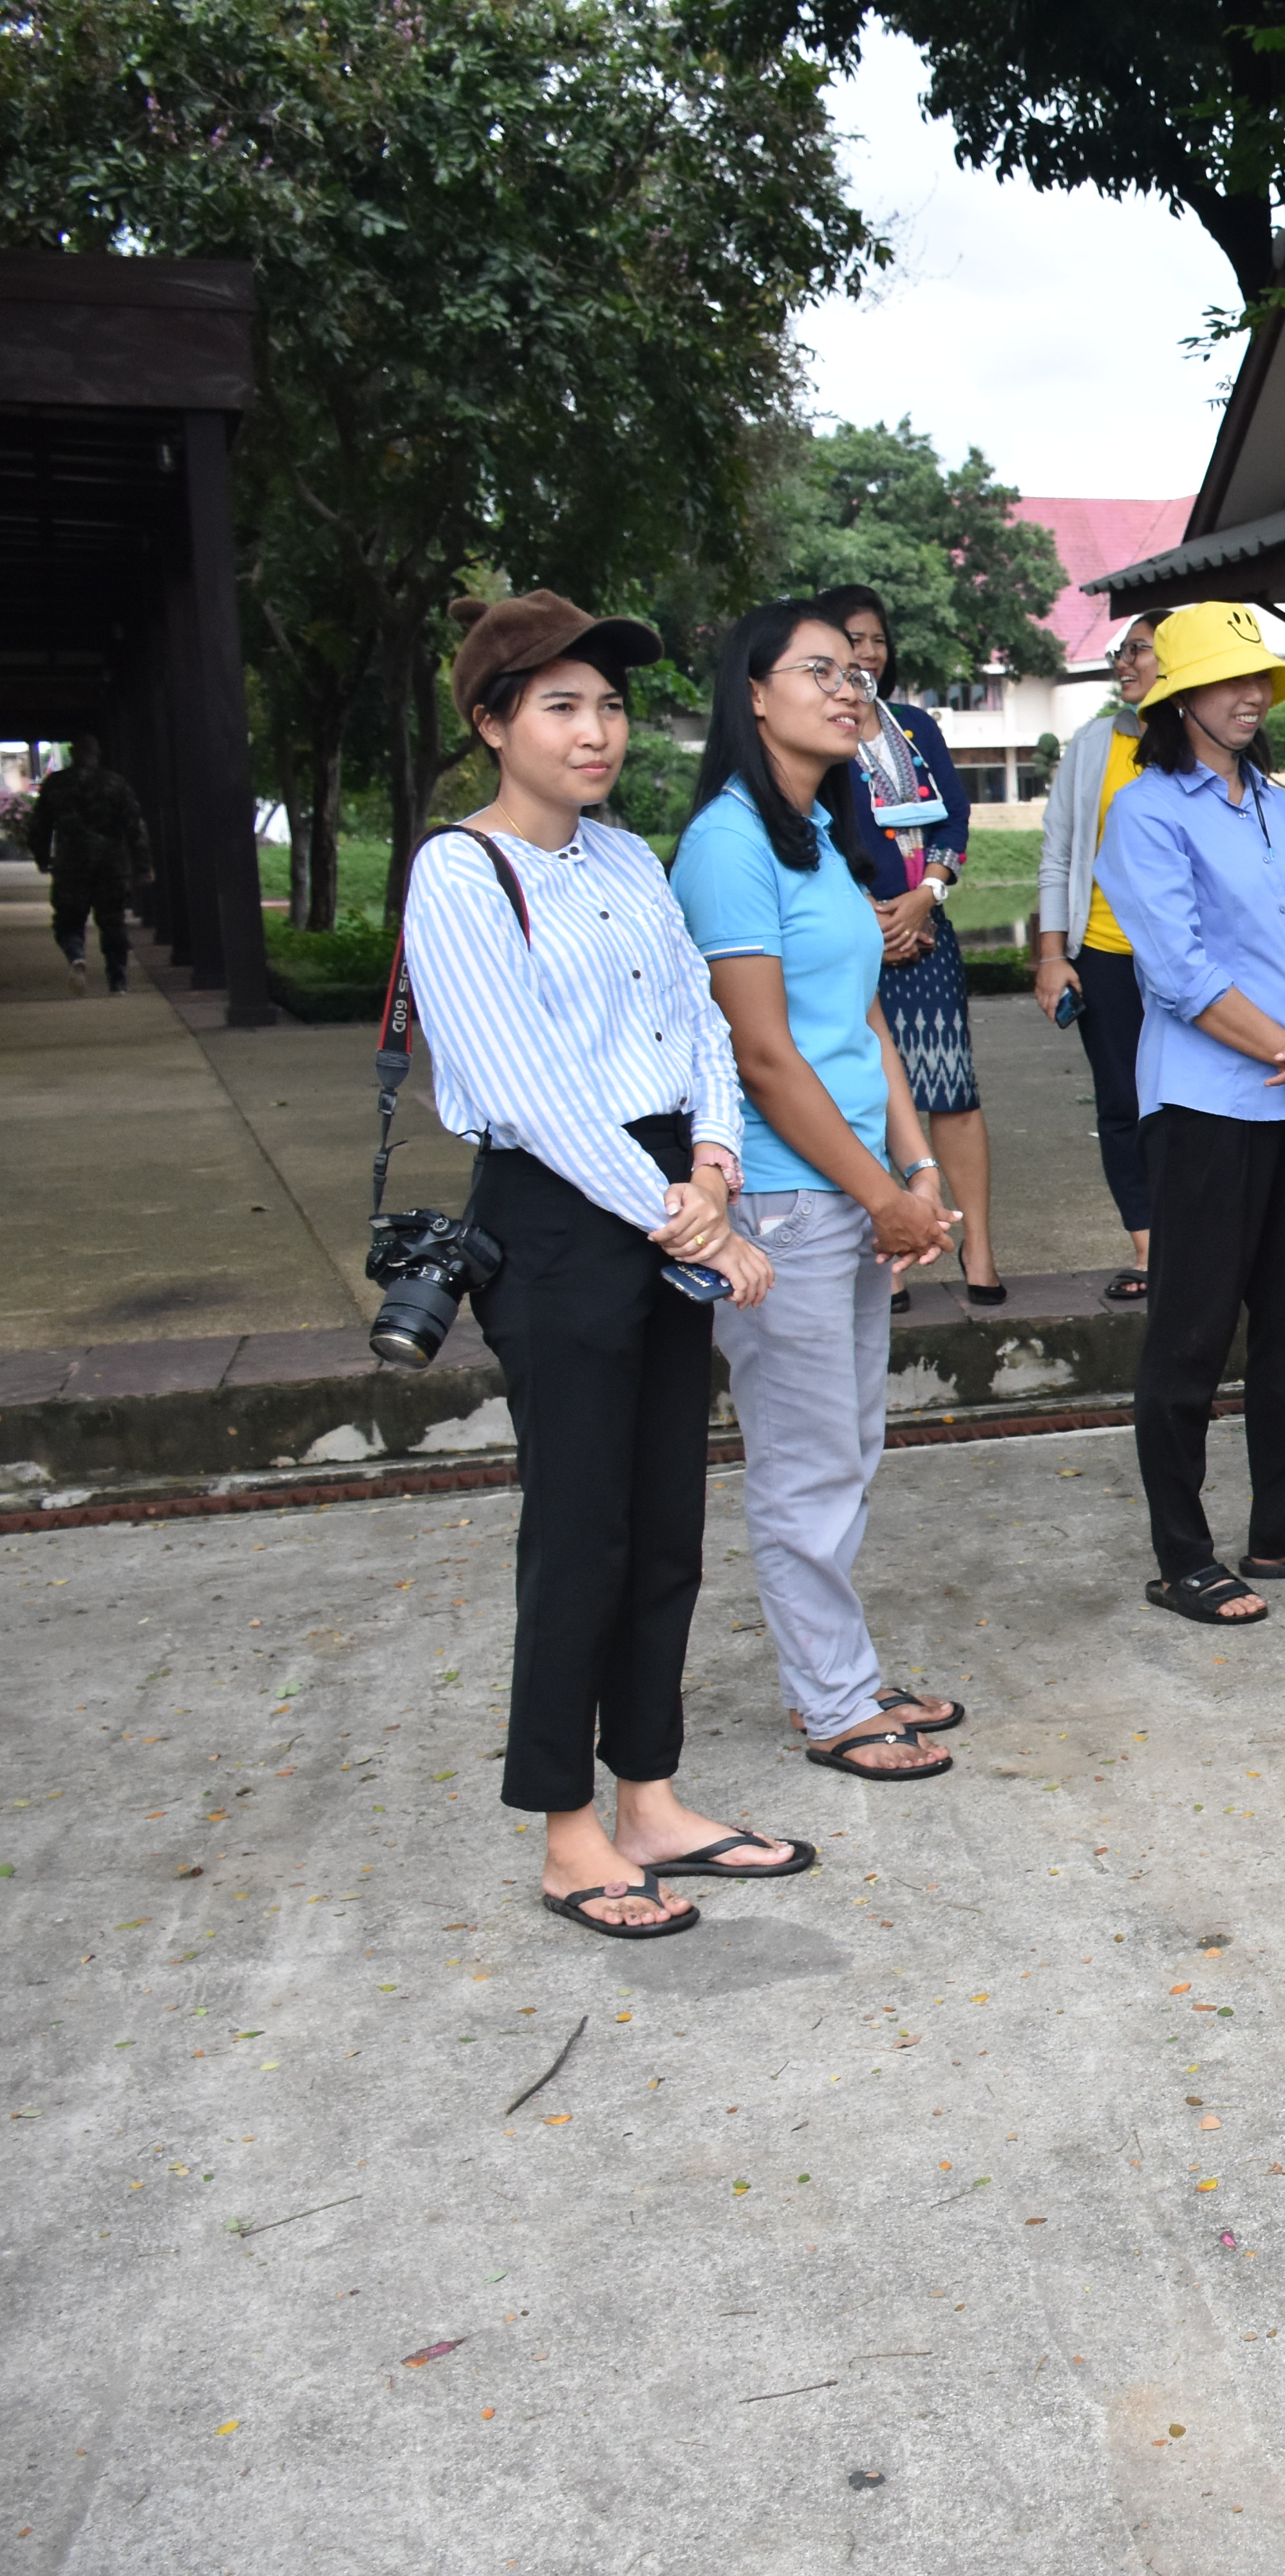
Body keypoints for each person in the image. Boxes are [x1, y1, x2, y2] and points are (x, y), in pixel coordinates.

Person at [409, 592, 802, 1939]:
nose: (598, 732)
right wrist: (682, 1217)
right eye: (562, 706)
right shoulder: (461, 872)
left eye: (613, 706)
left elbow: (702, 1025)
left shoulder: (629, 858)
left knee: (664, 1522)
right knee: (580, 1531)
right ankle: (567, 1830)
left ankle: (652, 1798)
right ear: (492, 722)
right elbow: (526, 1087)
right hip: (562, 1216)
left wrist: (713, 1166)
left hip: (670, 1189)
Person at [670, 599, 967, 1785]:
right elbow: (762, 1055)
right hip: (782, 1199)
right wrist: (878, 1190)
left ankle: (838, 1670)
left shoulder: (819, 835)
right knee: (805, 1463)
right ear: (753, 694)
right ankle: (835, 1702)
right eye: (819, 671)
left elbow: (862, 1024)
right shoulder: (729, 843)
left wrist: (918, 1170)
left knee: (849, 1445)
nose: (850, 691)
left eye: (857, 675)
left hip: (852, 1189)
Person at [1093, 601, 1285, 1626]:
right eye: (1227, 681)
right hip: (1208, 1107)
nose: (1251, 696)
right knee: (1191, 1333)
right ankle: (1183, 1556)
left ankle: (1282, 1528)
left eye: (1259, 678)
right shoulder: (1146, 812)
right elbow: (1180, 975)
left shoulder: (1283, 808)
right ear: (1179, 700)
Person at [814, 583, 1006, 1307]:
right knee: (865, 1091)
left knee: (952, 1092)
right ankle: (889, 1250)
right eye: (851, 640)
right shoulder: (818, 732)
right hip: (851, 937)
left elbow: (954, 819)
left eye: (876, 640)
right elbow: (813, 832)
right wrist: (866, 919)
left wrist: (927, 896)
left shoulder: (917, 727)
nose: (867, 653)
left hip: (928, 933)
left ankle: (977, 1245)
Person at [1034, 609, 1170, 1301]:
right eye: (1121, 650)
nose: (1123, 662)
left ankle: (1207, 1242)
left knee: (1194, 1104)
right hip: (1106, 954)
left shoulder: (1203, 739)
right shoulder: (1093, 743)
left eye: (1138, 650)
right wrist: (1053, 954)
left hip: (1187, 959)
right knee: (1124, 1101)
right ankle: (1151, 1250)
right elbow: (1059, 852)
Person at [23, 744, 149, 996]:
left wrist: (42, 858)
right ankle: (118, 980)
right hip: (111, 865)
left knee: (68, 920)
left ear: (73, 753)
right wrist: (143, 865)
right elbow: (135, 826)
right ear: (97, 754)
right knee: (113, 922)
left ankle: (76, 955)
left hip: (71, 863)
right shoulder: (115, 784)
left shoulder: (56, 784)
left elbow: (40, 825)